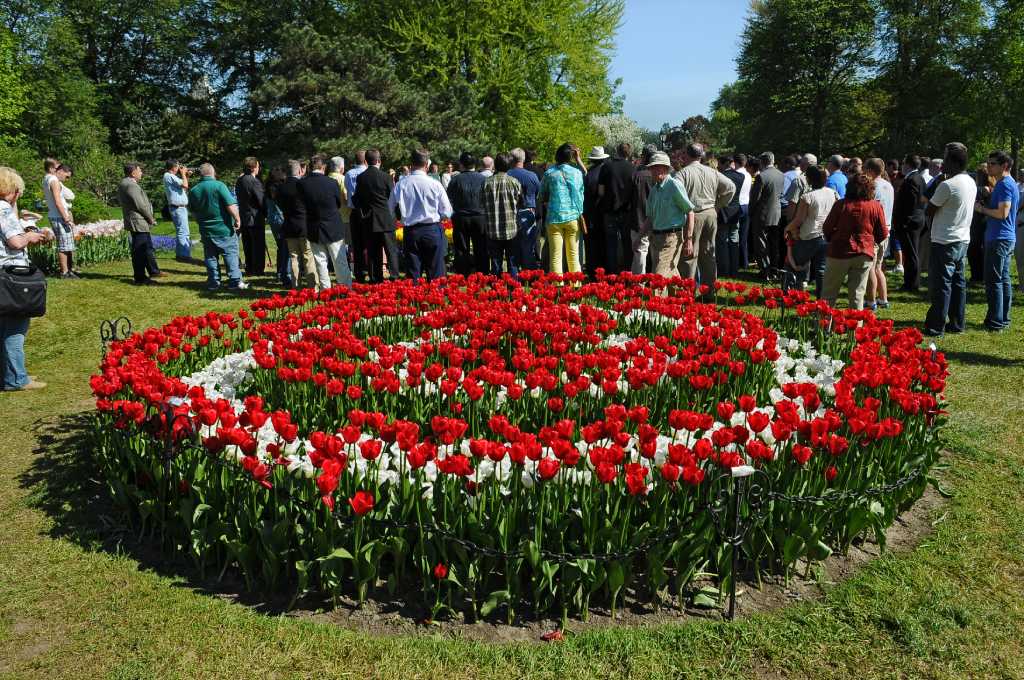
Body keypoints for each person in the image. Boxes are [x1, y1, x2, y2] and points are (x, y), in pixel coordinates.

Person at [0, 167, 51, 390]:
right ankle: (16, 379)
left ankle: (11, 374)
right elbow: (15, 242)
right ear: (11, 190)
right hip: (10, 275)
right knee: (15, 327)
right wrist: (30, 235)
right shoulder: (2, 209)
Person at [923, 143, 975, 336]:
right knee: (958, 283)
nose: (942, 164)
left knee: (942, 285)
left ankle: (936, 325)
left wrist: (940, 182)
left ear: (953, 162)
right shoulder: (969, 181)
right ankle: (957, 322)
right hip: (962, 238)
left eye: (945, 160)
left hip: (945, 240)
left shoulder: (947, 184)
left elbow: (929, 209)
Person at [674, 142, 736, 292]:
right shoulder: (712, 172)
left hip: (692, 215)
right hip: (710, 214)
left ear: (686, 155)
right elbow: (730, 187)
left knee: (689, 254)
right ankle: (709, 291)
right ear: (701, 155)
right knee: (709, 253)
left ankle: (688, 291)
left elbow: (675, 195)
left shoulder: (682, 174)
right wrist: (718, 205)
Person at [821, 173, 889, 309]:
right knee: (858, 295)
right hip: (863, 253)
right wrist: (871, 241)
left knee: (829, 293)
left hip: (839, 252)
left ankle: (824, 327)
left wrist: (832, 238)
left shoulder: (841, 205)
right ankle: (856, 328)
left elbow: (827, 228)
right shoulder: (875, 206)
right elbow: (883, 233)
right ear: (870, 189)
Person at [388, 149, 452, 281]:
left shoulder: (401, 184)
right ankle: (437, 298)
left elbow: (389, 208)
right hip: (432, 229)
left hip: (411, 231)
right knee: (436, 273)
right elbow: (447, 211)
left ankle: (413, 300)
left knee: (413, 274)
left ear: (411, 164)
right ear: (427, 165)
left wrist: (401, 216)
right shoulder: (435, 184)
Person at [973, 149, 1019, 332]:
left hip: (999, 238)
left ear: (1004, 166)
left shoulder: (1005, 185)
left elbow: (1002, 213)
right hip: (1005, 237)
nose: (989, 166)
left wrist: (981, 209)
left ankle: (996, 321)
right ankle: (1003, 318)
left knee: (994, 281)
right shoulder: (1007, 183)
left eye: (992, 164)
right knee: (1003, 279)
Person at [188, 163, 247, 292]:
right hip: (223, 228)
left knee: (210, 257)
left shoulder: (193, 190)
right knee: (230, 255)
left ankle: (214, 282)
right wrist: (237, 219)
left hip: (206, 230)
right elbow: (230, 205)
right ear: (213, 172)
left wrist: (200, 221)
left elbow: (192, 211)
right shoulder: (219, 185)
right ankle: (234, 281)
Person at [782, 165, 837, 298]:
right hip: (826, 236)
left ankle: (791, 296)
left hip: (808, 236)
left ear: (809, 179)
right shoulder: (833, 193)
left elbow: (799, 220)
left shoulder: (807, 197)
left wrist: (787, 228)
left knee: (793, 265)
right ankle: (822, 300)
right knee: (821, 270)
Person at [301, 154, 351, 290]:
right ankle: (345, 288)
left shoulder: (302, 184)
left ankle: (325, 289)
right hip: (333, 225)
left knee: (320, 261)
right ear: (323, 167)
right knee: (339, 261)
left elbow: (302, 205)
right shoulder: (331, 182)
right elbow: (338, 203)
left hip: (314, 226)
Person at [643, 151, 695, 279]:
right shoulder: (654, 190)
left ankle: (658, 300)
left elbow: (690, 211)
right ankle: (682, 297)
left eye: (657, 167)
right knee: (670, 275)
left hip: (671, 238)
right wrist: (639, 238)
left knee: (658, 277)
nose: (653, 171)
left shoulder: (674, 185)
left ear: (666, 169)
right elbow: (649, 218)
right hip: (656, 239)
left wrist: (688, 239)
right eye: (652, 168)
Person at [539, 143, 586, 275]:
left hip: (554, 217)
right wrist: (578, 159)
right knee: (573, 255)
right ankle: (576, 286)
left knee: (555, 255)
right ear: (571, 157)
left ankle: (557, 288)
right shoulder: (577, 173)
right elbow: (583, 185)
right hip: (573, 217)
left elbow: (541, 195)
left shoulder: (549, 174)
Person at [353, 149, 399, 282]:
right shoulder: (386, 177)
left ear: (366, 161)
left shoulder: (361, 178)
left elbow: (356, 199)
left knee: (373, 252)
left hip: (369, 219)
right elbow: (393, 197)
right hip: (386, 218)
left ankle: (375, 277)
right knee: (391, 251)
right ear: (379, 161)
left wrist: (362, 212)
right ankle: (394, 276)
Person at [117, 162, 163, 285]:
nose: (141, 173)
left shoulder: (125, 183)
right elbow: (140, 205)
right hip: (138, 221)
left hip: (137, 221)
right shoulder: (131, 185)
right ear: (133, 172)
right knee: (140, 250)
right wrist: (150, 218)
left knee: (147, 247)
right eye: (140, 170)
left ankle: (153, 271)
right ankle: (140, 278)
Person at [597, 143, 636, 275]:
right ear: (629, 153)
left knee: (611, 243)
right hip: (626, 211)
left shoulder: (606, 166)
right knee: (627, 243)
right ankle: (627, 271)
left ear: (616, 151)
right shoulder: (632, 168)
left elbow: (601, 191)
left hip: (609, 210)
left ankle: (612, 273)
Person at [446, 152, 488, 275]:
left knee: (461, 248)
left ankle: (463, 272)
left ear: (461, 164)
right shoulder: (483, 179)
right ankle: (482, 272)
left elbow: (449, 198)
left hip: (461, 217)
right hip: (480, 216)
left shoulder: (455, 179)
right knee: (480, 247)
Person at [482, 153, 523, 276]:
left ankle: (496, 291)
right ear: (509, 166)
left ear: (495, 165)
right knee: (513, 262)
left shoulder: (486, 183)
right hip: (512, 229)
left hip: (492, 229)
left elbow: (482, 203)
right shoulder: (515, 182)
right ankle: (513, 289)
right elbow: (521, 203)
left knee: (495, 263)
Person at [277, 160, 316, 289]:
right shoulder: (303, 185)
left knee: (294, 257)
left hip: (289, 223)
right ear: (299, 171)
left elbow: (280, 204)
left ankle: (296, 286)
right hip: (304, 224)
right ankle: (312, 287)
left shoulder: (281, 188)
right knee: (307, 257)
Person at [893, 154, 928, 291]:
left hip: (910, 222)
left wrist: (905, 221)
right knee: (912, 253)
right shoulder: (919, 178)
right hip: (916, 219)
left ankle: (911, 283)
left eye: (903, 164)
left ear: (907, 165)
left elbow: (911, 203)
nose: (902, 166)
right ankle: (911, 281)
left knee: (911, 253)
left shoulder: (912, 180)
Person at [864, 158, 894, 310]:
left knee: (870, 267)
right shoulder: (889, 185)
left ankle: (871, 300)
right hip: (886, 229)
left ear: (870, 170)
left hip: (874, 231)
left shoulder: (873, 186)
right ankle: (883, 298)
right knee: (878, 267)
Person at [749, 151, 785, 275]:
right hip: (776, 213)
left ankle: (765, 268)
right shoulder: (781, 174)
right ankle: (774, 267)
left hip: (762, 214)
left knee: (761, 242)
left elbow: (755, 198)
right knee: (774, 242)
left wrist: (751, 211)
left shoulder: (761, 176)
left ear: (762, 162)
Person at [508, 148, 543, 271]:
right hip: (528, 212)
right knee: (528, 247)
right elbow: (540, 193)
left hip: (511, 213)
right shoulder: (532, 176)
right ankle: (529, 274)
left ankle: (514, 274)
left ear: (511, 159)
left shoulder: (508, 175)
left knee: (513, 247)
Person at [42, 159, 77, 278]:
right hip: (59, 216)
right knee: (64, 245)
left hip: (55, 215)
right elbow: (58, 202)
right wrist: (66, 218)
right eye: (67, 177)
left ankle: (69, 270)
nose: (67, 179)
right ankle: (65, 272)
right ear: (61, 171)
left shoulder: (47, 179)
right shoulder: (54, 181)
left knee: (67, 244)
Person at [263, 166, 293, 288]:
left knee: (281, 247)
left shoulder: (267, 187)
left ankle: (280, 272)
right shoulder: (277, 189)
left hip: (273, 219)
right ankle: (286, 275)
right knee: (286, 248)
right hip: (281, 219)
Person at [235, 157, 266, 276]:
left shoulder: (240, 180)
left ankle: (249, 268)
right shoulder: (254, 181)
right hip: (255, 217)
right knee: (257, 245)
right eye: (258, 166)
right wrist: (266, 213)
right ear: (253, 167)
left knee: (247, 245)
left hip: (244, 215)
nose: (259, 169)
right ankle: (257, 269)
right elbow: (261, 201)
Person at [716, 155, 745, 278]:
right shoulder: (741, 176)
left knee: (723, 242)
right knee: (734, 241)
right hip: (735, 211)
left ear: (723, 164)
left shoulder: (721, 176)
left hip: (724, 211)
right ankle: (734, 269)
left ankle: (724, 269)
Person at [583, 146, 609, 277]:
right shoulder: (606, 172)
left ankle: (592, 269)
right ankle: (604, 268)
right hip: (604, 211)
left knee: (591, 243)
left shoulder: (588, 174)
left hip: (590, 211)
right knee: (604, 242)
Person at [631, 145, 656, 274]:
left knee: (640, 252)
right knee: (656, 253)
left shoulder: (636, 175)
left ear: (644, 156)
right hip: (656, 219)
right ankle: (657, 281)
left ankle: (638, 284)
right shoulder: (660, 175)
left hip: (639, 218)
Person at [345, 150, 370, 283]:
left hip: (354, 212)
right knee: (369, 242)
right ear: (366, 160)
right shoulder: (367, 173)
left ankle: (359, 272)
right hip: (366, 211)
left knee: (357, 243)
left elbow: (347, 189)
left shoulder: (348, 174)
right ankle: (370, 269)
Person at [163, 160, 193, 262]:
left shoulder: (172, 177)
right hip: (177, 208)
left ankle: (182, 254)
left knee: (184, 231)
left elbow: (183, 188)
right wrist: (183, 174)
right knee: (182, 232)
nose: (179, 168)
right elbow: (185, 186)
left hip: (180, 208)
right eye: (178, 166)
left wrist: (186, 176)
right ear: (174, 167)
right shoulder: (169, 175)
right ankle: (183, 256)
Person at [967, 165, 992, 285]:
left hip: (980, 220)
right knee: (977, 248)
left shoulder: (984, 189)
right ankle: (978, 275)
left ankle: (978, 275)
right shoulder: (988, 188)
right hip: (981, 220)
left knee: (975, 248)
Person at [734, 153, 752, 268]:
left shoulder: (737, 175)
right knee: (744, 236)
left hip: (738, 205)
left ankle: (736, 260)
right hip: (747, 205)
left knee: (735, 235)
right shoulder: (748, 175)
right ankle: (744, 262)